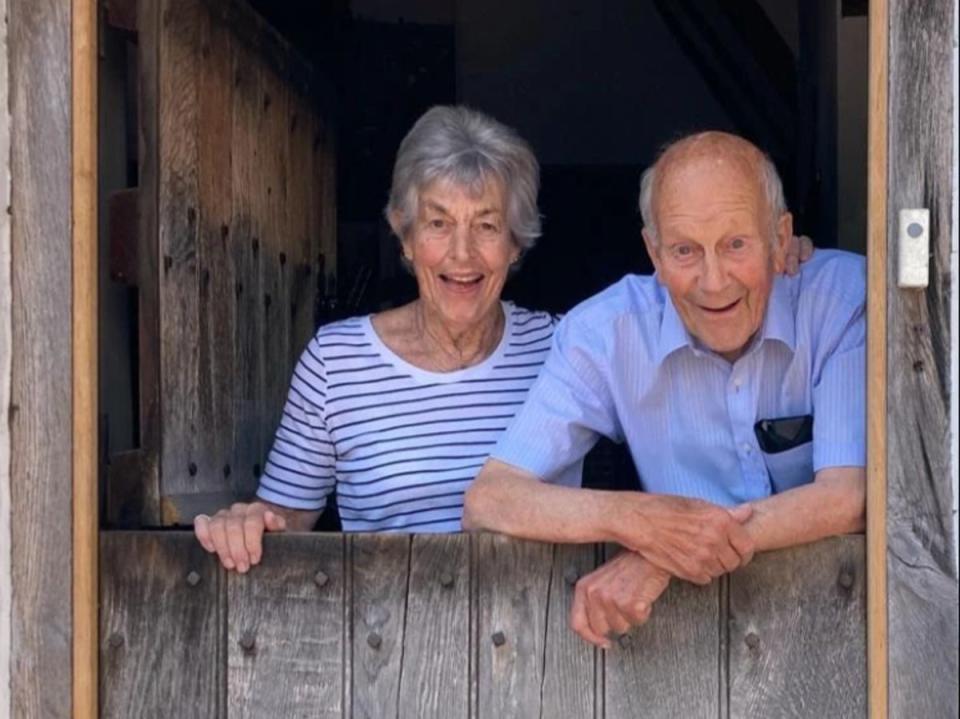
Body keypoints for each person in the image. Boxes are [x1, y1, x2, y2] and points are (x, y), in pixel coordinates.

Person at [194, 110, 813, 574]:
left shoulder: (564, 346)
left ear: (516, 244)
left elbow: (697, 381)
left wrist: (781, 264)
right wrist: (247, 523)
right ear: (404, 237)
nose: (462, 254)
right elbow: (286, 522)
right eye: (438, 224)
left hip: (541, 649)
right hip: (384, 645)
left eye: (487, 226)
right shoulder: (336, 362)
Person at [462, 131, 865, 648]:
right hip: (680, 648)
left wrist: (665, 556)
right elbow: (491, 500)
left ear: (781, 239)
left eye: (736, 244)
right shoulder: (605, 332)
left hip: (841, 631)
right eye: (684, 251)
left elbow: (849, 497)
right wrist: (643, 522)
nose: (713, 280)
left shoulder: (844, 299)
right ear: (653, 251)